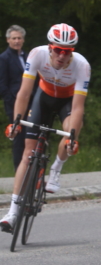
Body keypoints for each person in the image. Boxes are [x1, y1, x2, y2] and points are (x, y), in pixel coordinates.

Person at [0, 23, 90, 233]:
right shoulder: (36, 54)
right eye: (57, 50)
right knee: (27, 152)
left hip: (66, 102)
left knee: (69, 134)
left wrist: (73, 137)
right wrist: (16, 121)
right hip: (43, 98)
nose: (61, 55)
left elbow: (78, 107)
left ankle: (56, 168)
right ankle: (12, 212)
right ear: (50, 48)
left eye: (66, 52)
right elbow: (23, 93)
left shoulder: (82, 66)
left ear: (72, 52)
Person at [0, 25, 29, 170]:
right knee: (19, 137)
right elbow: (2, 84)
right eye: (14, 38)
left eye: (19, 38)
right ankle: (19, 171)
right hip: (14, 104)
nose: (17, 41)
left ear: (23, 40)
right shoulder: (4, 58)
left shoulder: (27, 56)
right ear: (8, 40)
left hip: (30, 103)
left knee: (32, 137)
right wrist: (12, 101)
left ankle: (33, 171)